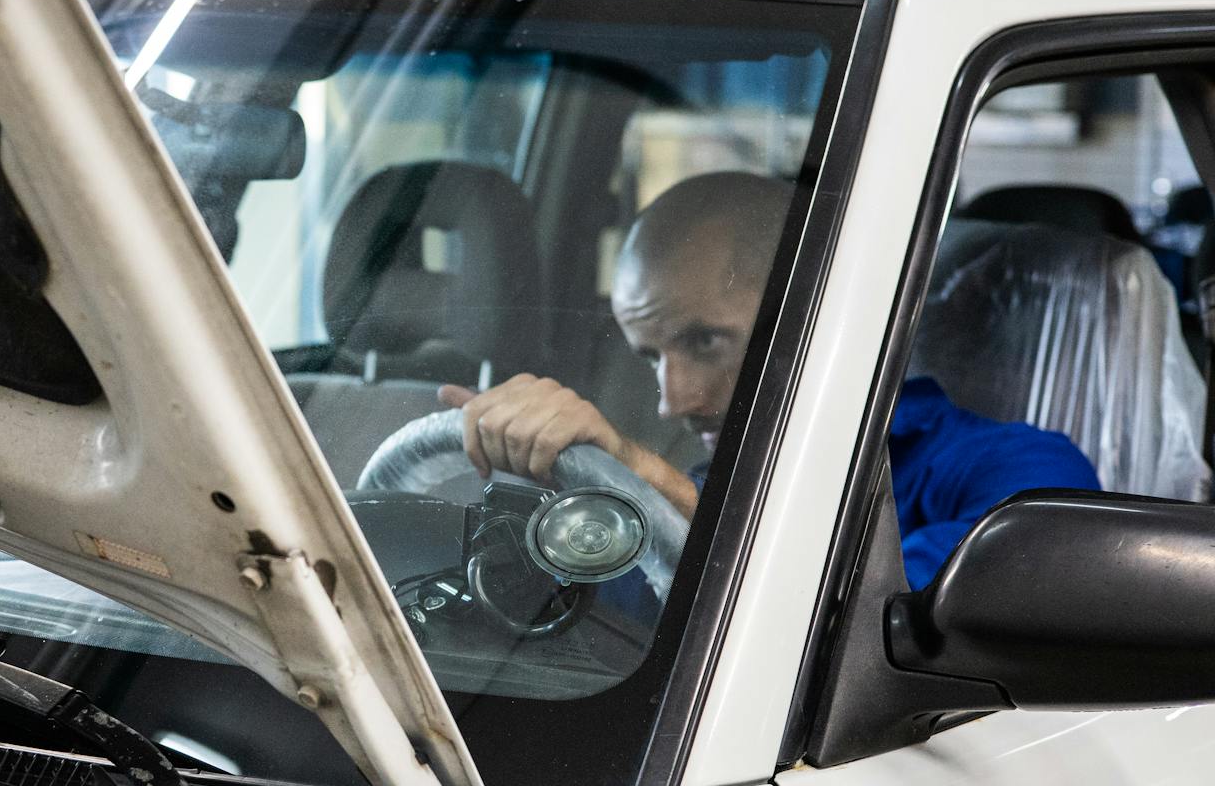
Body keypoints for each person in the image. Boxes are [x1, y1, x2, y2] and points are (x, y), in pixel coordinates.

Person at [441, 170, 1100, 589]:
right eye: (652, 356)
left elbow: (865, 618)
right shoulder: (713, 490)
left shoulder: (1025, 472)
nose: (675, 400)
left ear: (821, 313)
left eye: (705, 341)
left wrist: (642, 477)